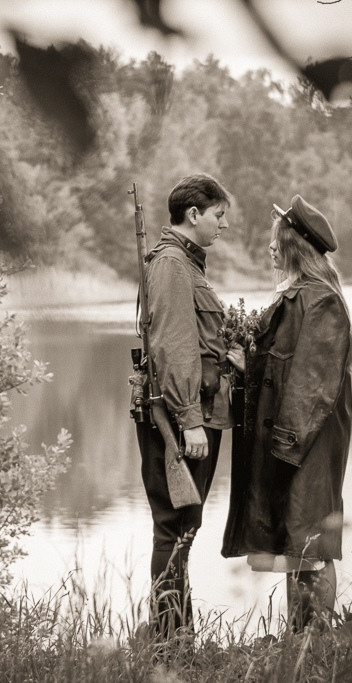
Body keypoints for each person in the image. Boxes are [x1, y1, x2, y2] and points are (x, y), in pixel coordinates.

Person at [222, 194, 352, 632]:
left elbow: (312, 386)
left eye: (274, 241)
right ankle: (299, 638)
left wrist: (284, 446)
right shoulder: (296, 296)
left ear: (292, 246)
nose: (269, 248)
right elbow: (282, 368)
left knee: (311, 542)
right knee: (294, 543)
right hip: (293, 443)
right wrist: (247, 362)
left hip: (306, 443)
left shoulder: (320, 301)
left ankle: (316, 639)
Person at [135, 173, 234, 640]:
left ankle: (176, 636)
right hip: (180, 420)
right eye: (219, 215)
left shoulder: (183, 263)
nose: (224, 225)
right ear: (194, 215)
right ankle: (169, 644)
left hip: (185, 416)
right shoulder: (174, 264)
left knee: (181, 530)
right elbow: (173, 347)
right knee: (174, 529)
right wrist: (191, 420)